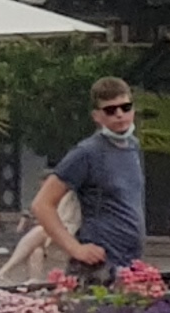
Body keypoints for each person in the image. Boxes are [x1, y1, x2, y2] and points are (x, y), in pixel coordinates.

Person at [28, 78, 154, 279]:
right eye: (110, 110)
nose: (120, 114)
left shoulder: (133, 147)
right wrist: (75, 248)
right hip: (98, 266)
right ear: (97, 116)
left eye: (125, 107)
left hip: (131, 263)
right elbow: (42, 204)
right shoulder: (87, 152)